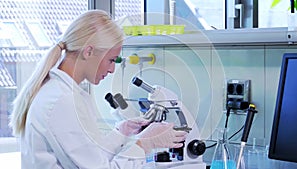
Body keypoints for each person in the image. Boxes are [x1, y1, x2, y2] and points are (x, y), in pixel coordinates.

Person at [9, 10, 187, 169]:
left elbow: (90, 156)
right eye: (111, 60)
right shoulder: (62, 100)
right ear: (88, 52)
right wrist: (144, 144)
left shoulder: (59, 92)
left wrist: (122, 132)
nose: (112, 70)